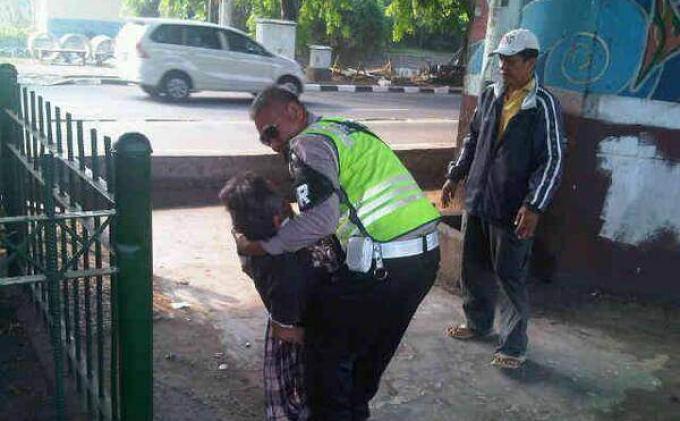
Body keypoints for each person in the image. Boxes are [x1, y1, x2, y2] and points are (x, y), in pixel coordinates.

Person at [235, 85, 441, 420]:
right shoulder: (344, 129)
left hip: (383, 266)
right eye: (264, 139)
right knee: (366, 358)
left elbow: (320, 219)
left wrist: (262, 246)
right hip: (423, 259)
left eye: (272, 133)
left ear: (294, 112)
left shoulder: (306, 144)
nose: (273, 144)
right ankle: (355, 410)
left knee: (325, 362)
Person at [441, 28, 565, 369]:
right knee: (474, 267)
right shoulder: (491, 95)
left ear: (531, 61)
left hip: (514, 209)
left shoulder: (543, 106)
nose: (503, 67)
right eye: (501, 60)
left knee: (510, 276)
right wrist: (455, 174)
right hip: (479, 199)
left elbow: (552, 159)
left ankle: (513, 345)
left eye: (511, 61)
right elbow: (473, 138)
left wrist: (534, 205)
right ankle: (478, 323)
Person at [220, 172, 343, 420]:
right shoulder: (286, 274)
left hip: (296, 307)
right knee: (307, 392)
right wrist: (325, 342)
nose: (288, 202)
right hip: (298, 328)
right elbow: (282, 331)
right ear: (278, 220)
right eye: (283, 201)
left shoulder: (251, 242)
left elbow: (242, 242)